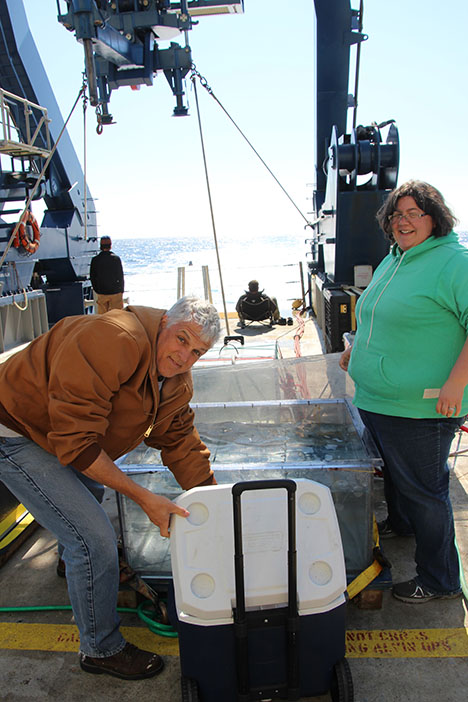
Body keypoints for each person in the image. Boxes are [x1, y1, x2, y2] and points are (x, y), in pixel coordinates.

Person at [0, 296, 220, 679]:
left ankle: (74, 565)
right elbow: (77, 442)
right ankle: (100, 649)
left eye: (197, 352)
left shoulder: (176, 380)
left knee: (91, 497)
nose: (185, 357)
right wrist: (144, 497)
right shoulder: (113, 337)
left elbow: (180, 439)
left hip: (56, 431)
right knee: (94, 539)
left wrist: (217, 506)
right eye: (182, 339)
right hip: (16, 428)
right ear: (165, 321)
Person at [339, 180, 468, 604]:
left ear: (436, 218)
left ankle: (440, 578)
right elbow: (378, 314)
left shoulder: (454, 262)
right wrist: (356, 347)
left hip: (422, 406)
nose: (404, 221)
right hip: (379, 399)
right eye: (397, 214)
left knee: (426, 493)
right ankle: (402, 523)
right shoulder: (395, 259)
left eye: (415, 213)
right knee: (397, 477)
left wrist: (456, 383)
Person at [90, 235, 125, 314]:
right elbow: (120, 276)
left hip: (102, 292)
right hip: (115, 292)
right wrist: (121, 290)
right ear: (110, 245)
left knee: (103, 318)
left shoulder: (95, 260)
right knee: (117, 316)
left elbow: (92, 277)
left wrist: (97, 290)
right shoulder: (116, 259)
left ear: (100, 246)